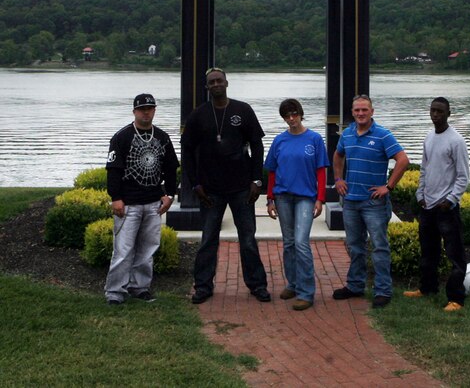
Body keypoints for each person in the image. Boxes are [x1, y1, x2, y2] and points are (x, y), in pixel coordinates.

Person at [181, 67, 270, 304]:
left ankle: (257, 284)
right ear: (207, 87)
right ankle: (202, 286)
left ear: (227, 83)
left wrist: (256, 180)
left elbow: (257, 145)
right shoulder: (198, 115)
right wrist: (194, 183)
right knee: (208, 238)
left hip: (242, 187)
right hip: (210, 189)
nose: (216, 84)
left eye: (220, 80)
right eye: (212, 82)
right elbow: (187, 151)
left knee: (248, 238)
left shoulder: (243, 110)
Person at [332, 94, 409, 308]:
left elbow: (403, 160)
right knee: (355, 246)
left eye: (364, 110)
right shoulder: (346, 134)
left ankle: (383, 290)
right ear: (352, 112)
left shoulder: (383, 135)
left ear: (372, 112)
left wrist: (389, 186)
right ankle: (355, 286)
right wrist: (338, 179)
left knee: (379, 247)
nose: (360, 113)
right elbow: (338, 156)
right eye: (356, 110)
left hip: (374, 203)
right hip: (351, 201)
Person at [104, 93, 179, 305]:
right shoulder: (121, 137)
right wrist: (116, 197)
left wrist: (170, 194)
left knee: (148, 248)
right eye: (142, 109)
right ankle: (115, 292)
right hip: (128, 203)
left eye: (150, 108)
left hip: (153, 202)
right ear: (134, 111)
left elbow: (171, 168)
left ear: (154, 110)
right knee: (123, 249)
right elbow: (113, 170)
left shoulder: (162, 137)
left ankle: (140, 287)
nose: (146, 112)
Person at [404, 96, 470, 311]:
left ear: (448, 113)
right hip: (427, 206)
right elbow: (424, 169)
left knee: (454, 254)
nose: (435, 114)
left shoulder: (456, 140)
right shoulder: (429, 138)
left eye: (440, 111)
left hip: (446, 208)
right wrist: (420, 194)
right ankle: (427, 288)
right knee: (428, 251)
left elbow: (463, 176)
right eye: (433, 110)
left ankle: (456, 298)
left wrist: (450, 200)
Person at [265, 98, 329, 311]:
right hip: (283, 197)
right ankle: (292, 284)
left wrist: (320, 199)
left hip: (305, 197)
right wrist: (270, 198)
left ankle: (306, 292)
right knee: (289, 243)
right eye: (287, 116)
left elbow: (321, 171)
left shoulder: (314, 139)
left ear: (301, 114)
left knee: (301, 243)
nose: (291, 119)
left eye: (294, 114)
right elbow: (272, 171)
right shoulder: (279, 141)